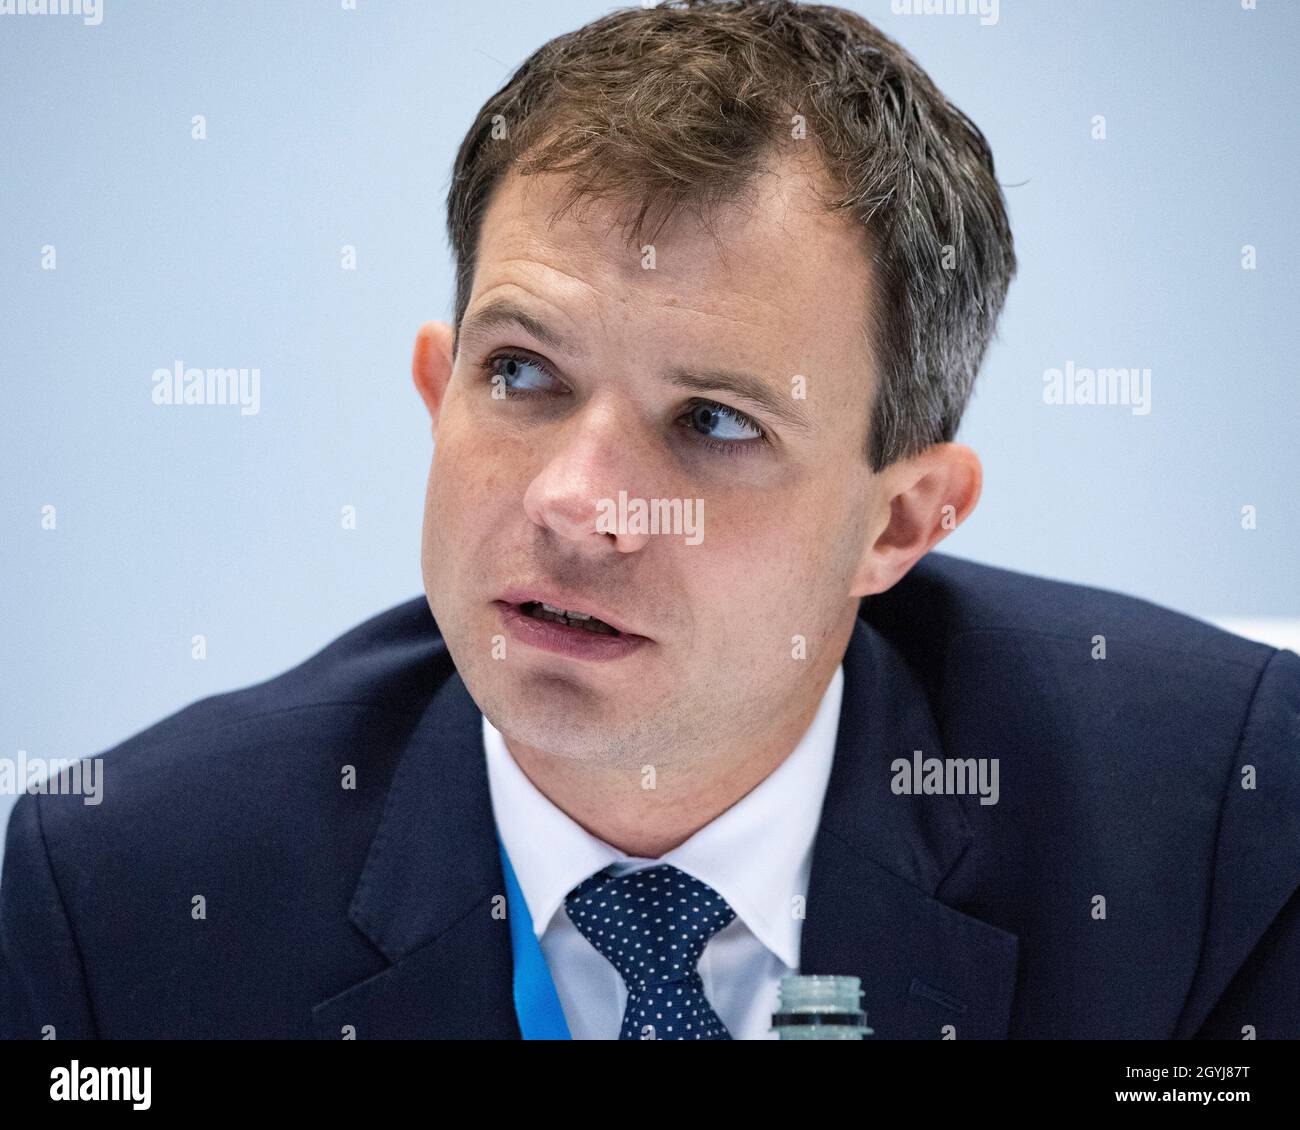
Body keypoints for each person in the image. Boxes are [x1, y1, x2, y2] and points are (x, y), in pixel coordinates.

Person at [2, 0, 1297, 1040]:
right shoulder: (130, 896)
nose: (575, 503)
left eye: (713, 423)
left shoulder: (1215, 828)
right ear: (435, 388)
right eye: (521, 374)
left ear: (901, 522)